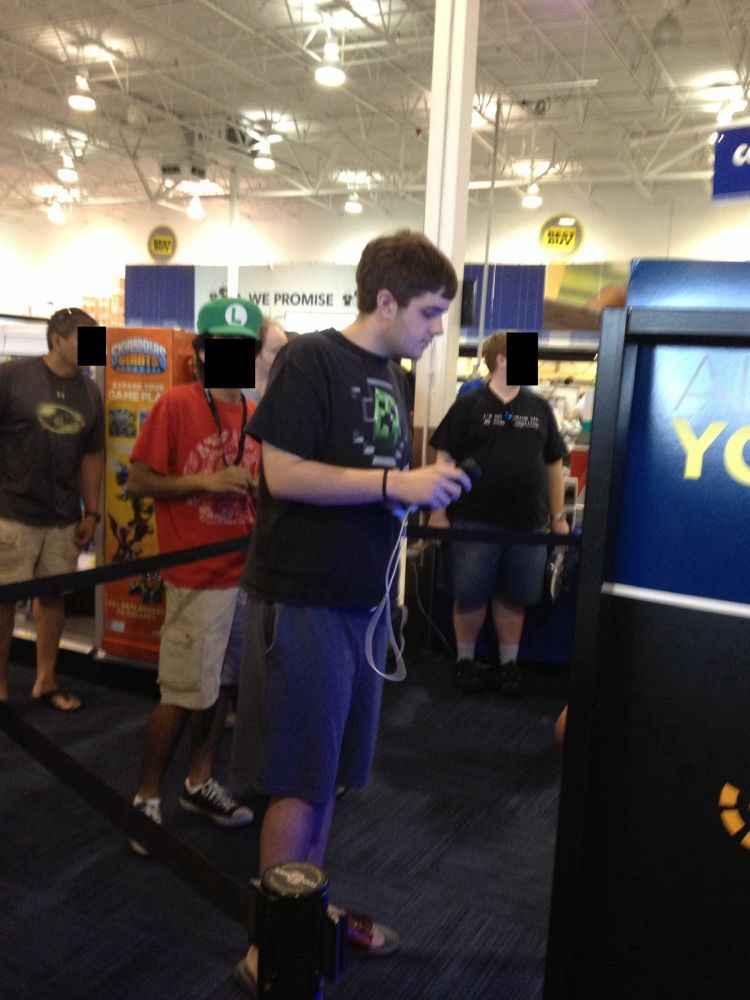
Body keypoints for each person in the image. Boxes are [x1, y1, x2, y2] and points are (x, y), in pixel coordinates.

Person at [231, 229, 472, 995]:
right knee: (298, 779)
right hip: (303, 601)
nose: (438, 329)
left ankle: (304, 911)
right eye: (431, 312)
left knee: (327, 778)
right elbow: (282, 473)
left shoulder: (390, 374)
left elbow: (369, 469)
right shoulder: (311, 359)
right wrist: (392, 488)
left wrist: (420, 478)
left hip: (361, 606)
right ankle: (270, 946)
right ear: (387, 300)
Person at [127, 297, 263, 847]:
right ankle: (146, 799)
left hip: (244, 576)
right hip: (196, 575)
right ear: (202, 352)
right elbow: (139, 482)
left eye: (244, 348)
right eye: (222, 347)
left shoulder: (256, 414)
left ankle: (198, 781)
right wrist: (205, 482)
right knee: (182, 691)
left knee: (222, 688)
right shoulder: (177, 405)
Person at [429, 329, 569, 696]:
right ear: (502, 360)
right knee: (470, 593)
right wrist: (439, 512)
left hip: (529, 523)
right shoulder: (468, 405)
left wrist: (557, 516)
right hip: (474, 518)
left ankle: (509, 666)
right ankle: (464, 663)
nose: (533, 362)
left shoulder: (540, 408)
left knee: (515, 596)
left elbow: (554, 465)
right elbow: (444, 457)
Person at [0, 307, 104, 712]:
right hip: (11, 513)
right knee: (4, 599)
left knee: (54, 598)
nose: (93, 349)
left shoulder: (89, 392)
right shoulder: (12, 378)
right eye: (85, 339)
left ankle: (46, 680)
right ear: (57, 339)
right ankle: (1, 683)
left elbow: (92, 456)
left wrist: (91, 511)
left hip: (63, 518)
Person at [245, 316, 289, 404]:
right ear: (256, 352)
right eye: (277, 352)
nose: (285, 357)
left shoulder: (288, 390)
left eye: (286, 351)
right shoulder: (232, 394)